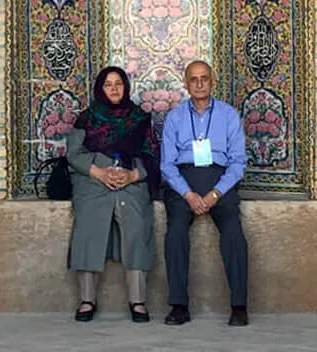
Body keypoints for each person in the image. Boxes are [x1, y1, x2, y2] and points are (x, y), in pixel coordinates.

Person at [65, 65, 159, 323]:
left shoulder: (139, 118)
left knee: (137, 227)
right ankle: (87, 300)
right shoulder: (87, 118)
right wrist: (99, 173)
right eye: (108, 84)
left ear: (126, 87)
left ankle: (138, 301)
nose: (115, 88)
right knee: (87, 227)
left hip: (130, 181)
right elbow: (73, 155)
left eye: (119, 83)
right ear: (100, 89)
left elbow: (152, 155)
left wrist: (133, 175)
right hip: (94, 180)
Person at [158, 60, 249, 327]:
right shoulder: (174, 117)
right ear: (185, 84)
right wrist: (188, 194)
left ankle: (239, 306)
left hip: (219, 181)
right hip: (183, 183)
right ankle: (178, 305)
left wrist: (215, 194)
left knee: (234, 233)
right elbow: (167, 164)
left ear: (213, 82)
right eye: (193, 79)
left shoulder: (228, 115)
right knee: (174, 233)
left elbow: (238, 162)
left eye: (204, 78)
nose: (199, 83)